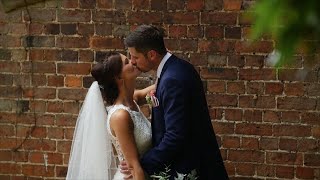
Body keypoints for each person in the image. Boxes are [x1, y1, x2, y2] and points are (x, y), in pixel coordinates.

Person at [122, 25, 229, 179]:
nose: (132, 62)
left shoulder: (172, 79)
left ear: (151, 54)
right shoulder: (176, 68)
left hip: (189, 168)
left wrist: (142, 164)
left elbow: (175, 135)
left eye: (135, 57)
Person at [66, 52, 154, 180]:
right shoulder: (120, 116)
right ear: (118, 77)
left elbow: (160, 86)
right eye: (127, 62)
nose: (133, 62)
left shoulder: (132, 100)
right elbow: (134, 168)